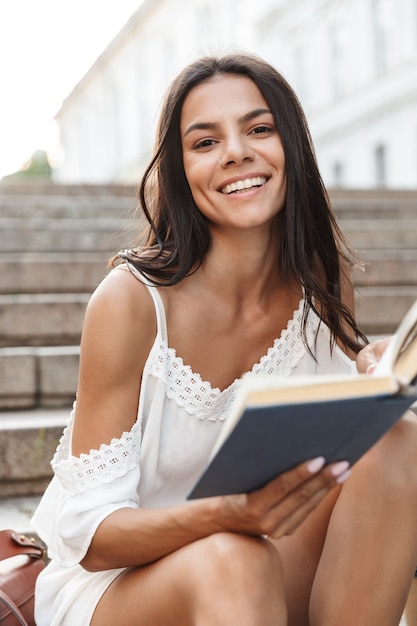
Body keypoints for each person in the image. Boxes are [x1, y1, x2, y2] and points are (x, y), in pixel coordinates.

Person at [31, 52, 417, 626]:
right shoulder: (131, 302)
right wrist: (230, 514)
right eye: (205, 142)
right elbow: (90, 536)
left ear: (292, 146)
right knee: (234, 558)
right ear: (181, 170)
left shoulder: (320, 281)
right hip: (122, 586)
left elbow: (333, 463)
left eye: (259, 129)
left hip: (258, 561)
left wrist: (372, 377)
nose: (237, 151)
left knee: (399, 442)